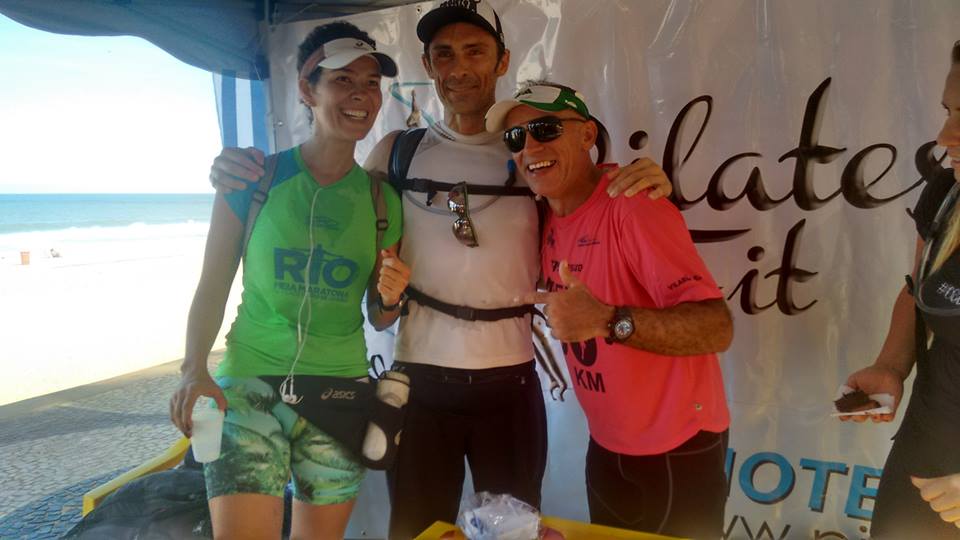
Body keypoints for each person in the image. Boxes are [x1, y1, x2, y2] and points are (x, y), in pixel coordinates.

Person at [207, 2, 674, 538]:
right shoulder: (397, 152)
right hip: (419, 385)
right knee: (416, 531)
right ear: (427, 66)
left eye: (475, 51)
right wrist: (238, 170)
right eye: (444, 54)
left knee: (513, 532)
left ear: (502, 61)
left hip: (511, 384)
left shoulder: (530, 154)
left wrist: (640, 177)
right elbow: (332, 197)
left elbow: (585, 190)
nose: (459, 68)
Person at [168, 22, 410, 540]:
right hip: (248, 384)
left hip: (340, 392)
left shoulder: (382, 201)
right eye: (342, 80)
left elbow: (378, 314)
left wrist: (391, 298)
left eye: (371, 83)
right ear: (307, 89)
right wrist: (193, 369)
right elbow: (212, 284)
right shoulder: (252, 179)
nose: (361, 95)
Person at [488, 81, 734, 539]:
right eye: (516, 138)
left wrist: (606, 320)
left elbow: (716, 327)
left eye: (545, 129)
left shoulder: (633, 205)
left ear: (586, 135)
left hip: (677, 449)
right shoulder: (547, 215)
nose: (530, 147)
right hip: (607, 446)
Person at [839, 40, 960, 537]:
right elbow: (918, 288)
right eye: (949, 111)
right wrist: (891, 366)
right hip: (924, 458)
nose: (945, 136)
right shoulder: (946, 193)